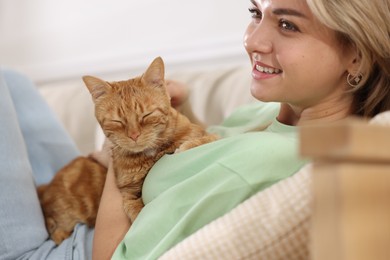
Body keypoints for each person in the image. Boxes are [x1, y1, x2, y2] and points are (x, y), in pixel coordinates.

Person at [0, 0, 389, 260]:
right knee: (12, 82)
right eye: (255, 12)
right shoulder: (271, 119)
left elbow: (112, 254)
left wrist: (118, 148)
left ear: (356, 52)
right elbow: (196, 159)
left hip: (62, 248)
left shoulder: (264, 162)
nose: (252, 41)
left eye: (287, 24)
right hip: (70, 202)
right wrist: (171, 110)